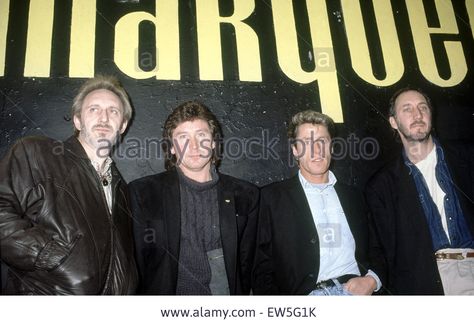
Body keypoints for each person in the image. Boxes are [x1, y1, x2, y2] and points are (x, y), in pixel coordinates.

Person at [0, 76, 138, 295]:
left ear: (122, 125)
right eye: (94, 109)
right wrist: (47, 254)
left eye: (113, 111)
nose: (104, 118)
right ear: (77, 120)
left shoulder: (121, 189)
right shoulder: (36, 153)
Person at [129, 101, 259, 295]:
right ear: (172, 147)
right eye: (183, 137)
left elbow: (249, 264)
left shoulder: (245, 195)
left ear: (213, 142)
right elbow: (136, 265)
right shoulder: (144, 193)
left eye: (201, 135)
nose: (194, 146)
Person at [252, 110, 380, 295]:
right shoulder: (271, 198)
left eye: (322, 142)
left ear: (332, 147)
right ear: (295, 150)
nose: (317, 150)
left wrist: (372, 280)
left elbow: (378, 248)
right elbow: (261, 267)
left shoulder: (355, 197)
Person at [366, 88, 474, 295]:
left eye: (423, 107)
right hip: (425, 281)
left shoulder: (468, 158)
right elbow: (384, 252)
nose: (418, 115)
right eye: (407, 109)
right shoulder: (381, 186)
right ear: (393, 122)